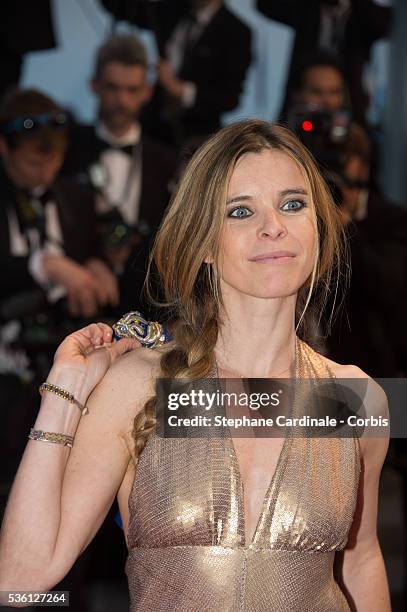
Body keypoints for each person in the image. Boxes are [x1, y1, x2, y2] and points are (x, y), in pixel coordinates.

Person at [0, 119, 390, 611]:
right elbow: (19, 579)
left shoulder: (354, 398)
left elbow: (360, 560)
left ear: (317, 225)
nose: (273, 225)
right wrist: (63, 393)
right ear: (203, 242)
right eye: (240, 211)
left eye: (293, 204)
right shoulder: (141, 385)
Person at [63, 34, 178, 316]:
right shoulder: (66, 152)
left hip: (150, 306)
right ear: (95, 86)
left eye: (132, 89)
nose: (121, 100)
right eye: (112, 88)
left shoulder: (167, 159)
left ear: (147, 92)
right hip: (77, 303)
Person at [0, 88, 119, 319]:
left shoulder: (77, 197)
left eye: (55, 161)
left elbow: (89, 247)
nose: (47, 174)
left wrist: (98, 264)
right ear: (4, 147)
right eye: (34, 164)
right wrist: (45, 265)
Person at [101, 0, 252, 149]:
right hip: (151, 127)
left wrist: (181, 90)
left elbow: (229, 98)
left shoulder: (237, 31)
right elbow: (123, 8)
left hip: (197, 137)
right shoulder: (170, 9)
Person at [256, 0, 392, 125]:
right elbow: (266, 5)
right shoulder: (307, 6)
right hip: (304, 83)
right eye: (318, 93)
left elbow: (383, 24)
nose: (325, 100)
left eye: (333, 93)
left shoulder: (361, 11)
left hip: (351, 94)